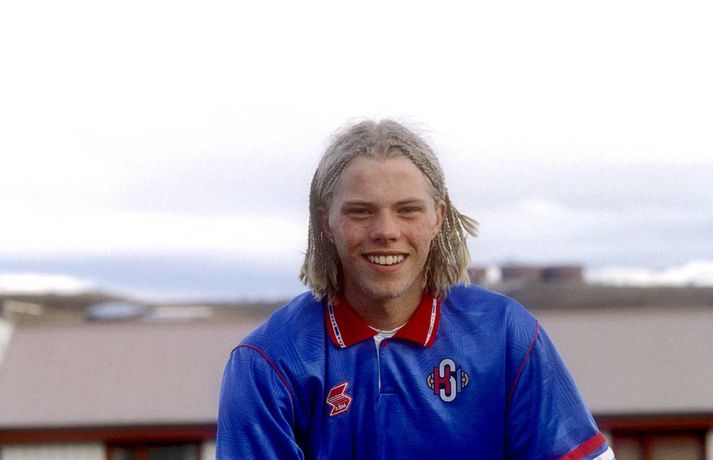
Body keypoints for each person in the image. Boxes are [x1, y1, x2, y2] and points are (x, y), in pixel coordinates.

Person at [217, 120, 615, 459]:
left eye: (408, 210)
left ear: (438, 217)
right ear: (326, 221)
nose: (386, 231)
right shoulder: (267, 362)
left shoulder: (506, 335)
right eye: (360, 212)